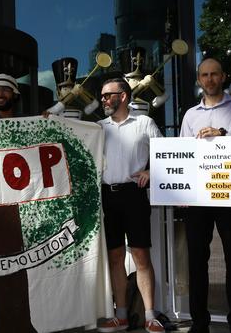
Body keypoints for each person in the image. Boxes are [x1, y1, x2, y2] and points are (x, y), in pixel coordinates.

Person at [179, 58, 231, 333]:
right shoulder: (190, 115)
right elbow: (182, 154)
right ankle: (199, 323)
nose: (210, 79)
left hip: (229, 191)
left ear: (223, 76)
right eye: (205, 75)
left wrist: (223, 134)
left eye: (214, 74)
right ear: (199, 79)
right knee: (197, 261)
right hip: (198, 195)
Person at [96, 78, 165, 333]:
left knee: (140, 255)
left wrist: (150, 169)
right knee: (115, 256)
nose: (102, 99)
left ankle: (150, 316)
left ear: (122, 96)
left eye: (107, 95)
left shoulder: (145, 122)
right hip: (107, 196)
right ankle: (121, 316)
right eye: (102, 96)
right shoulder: (98, 128)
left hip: (134, 194)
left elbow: (165, 154)